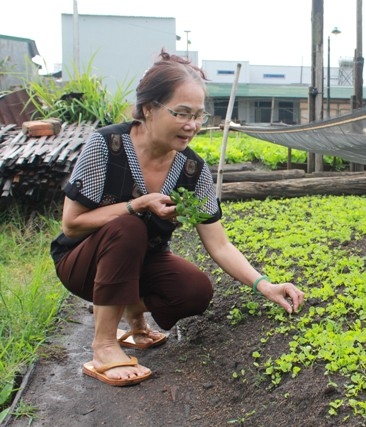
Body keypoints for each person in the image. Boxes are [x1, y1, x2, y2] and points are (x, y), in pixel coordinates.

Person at [50, 50, 305, 387]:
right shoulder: (106, 145)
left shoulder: (192, 169)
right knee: (128, 226)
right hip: (82, 263)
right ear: (149, 109)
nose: (192, 126)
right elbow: (72, 224)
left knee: (193, 291)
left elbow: (220, 244)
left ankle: (134, 317)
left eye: (199, 115)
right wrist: (137, 204)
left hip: (138, 263)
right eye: (182, 113)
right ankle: (104, 346)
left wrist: (265, 284)